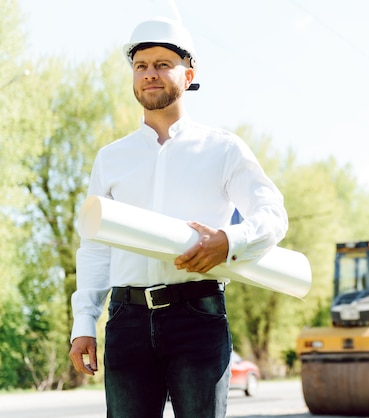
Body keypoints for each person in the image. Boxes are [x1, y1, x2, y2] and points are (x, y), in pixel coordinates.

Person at [68, 16, 288, 418]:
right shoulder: (111, 158)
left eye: (162, 64)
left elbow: (273, 215)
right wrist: (84, 322)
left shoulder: (223, 149)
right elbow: (95, 248)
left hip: (197, 316)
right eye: (141, 66)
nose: (149, 74)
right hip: (126, 319)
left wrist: (229, 241)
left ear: (188, 75)